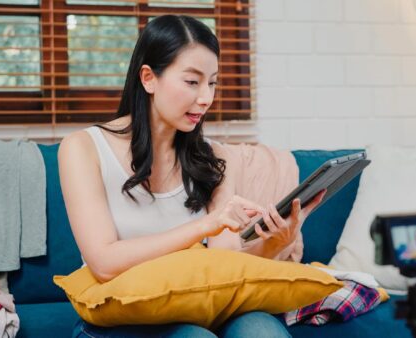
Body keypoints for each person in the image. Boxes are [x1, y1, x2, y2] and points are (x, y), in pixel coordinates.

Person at [58, 15, 325, 338]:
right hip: (121, 315)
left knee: (263, 333)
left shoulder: (213, 157)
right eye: (192, 81)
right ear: (148, 78)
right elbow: (103, 262)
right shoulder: (83, 148)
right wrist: (202, 226)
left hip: (200, 308)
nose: (205, 98)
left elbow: (223, 259)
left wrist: (274, 244)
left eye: (212, 82)